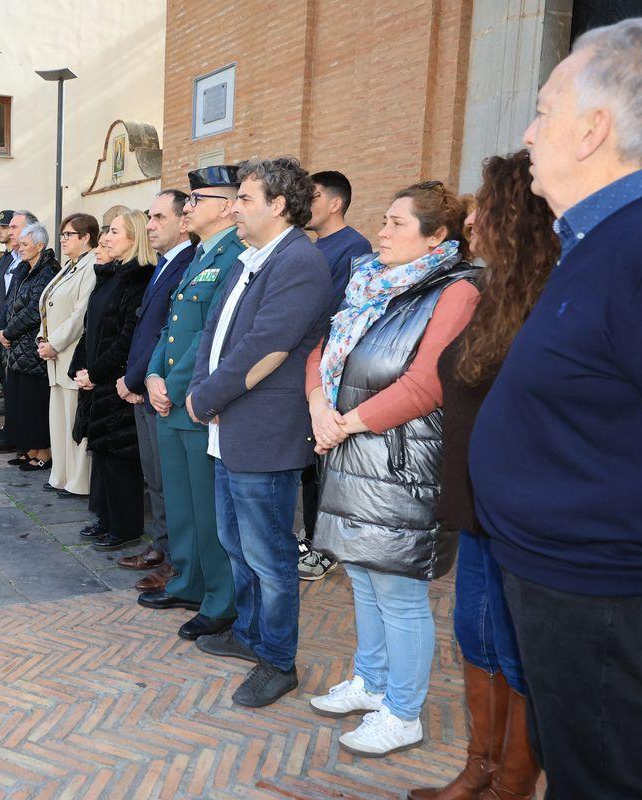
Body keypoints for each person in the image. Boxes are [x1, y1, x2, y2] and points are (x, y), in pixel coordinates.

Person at [470, 18, 642, 799]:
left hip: (601, 587)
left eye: (544, 110)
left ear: (593, 131)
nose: (526, 133)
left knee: (600, 780)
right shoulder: (604, 240)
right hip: (562, 576)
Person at [307, 181, 479, 755]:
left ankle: (404, 712)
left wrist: (345, 422)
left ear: (437, 237)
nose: (381, 231)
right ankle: (371, 682)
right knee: (360, 575)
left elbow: (427, 384)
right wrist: (318, 405)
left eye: (398, 223)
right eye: (383, 220)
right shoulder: (367, 282)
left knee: (399, 591)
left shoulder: (455, 292)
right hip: (354, 454)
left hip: (404, 463)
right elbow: (322, 349)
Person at [407, 153, 554, 800]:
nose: (473, 217)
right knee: (475, 635)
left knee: (518, 650)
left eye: (486, 207)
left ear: (518, 217)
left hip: (523, 513)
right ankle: (480, 767)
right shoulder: (492, 292)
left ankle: (514, 783)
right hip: (473, 503)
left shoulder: (551, 295)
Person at [185, 157, 332, 709]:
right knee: (234, 540)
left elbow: (266, 348)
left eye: (245, 199)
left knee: (269, 554)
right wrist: (202, 388)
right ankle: (248, 633)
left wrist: (207, 397)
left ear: (278, 204)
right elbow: (214, 334)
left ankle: (278, 660)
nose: (235, 208)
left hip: (264, 431)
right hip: (230, 424)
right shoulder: (250, 258)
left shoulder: (299, 262)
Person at [141, 168, 242, 617]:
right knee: (181, 504)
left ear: (225, 206)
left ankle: (219, 599)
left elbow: (211, 333)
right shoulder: (201, 256)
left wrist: (174, 384)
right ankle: (186, 580)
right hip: (170, 400)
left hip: (197, 402)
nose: (188, 207)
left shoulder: (236, 256)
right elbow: (172, 325)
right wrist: (152, 374)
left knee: (207, 510)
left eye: (196, 199)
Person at [115, 190, 195, 582]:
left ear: (184, 221)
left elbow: (169, 333)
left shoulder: (187, 264)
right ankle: (162, 545)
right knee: (155, 477)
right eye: (150, 217)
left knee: (168, 480)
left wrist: (135, 378)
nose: (150, 225)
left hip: (161, 387)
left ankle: (174, 557)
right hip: (145, 384)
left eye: (159, 218)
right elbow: (147, 327)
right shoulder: (166, 264)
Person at [297, 170, 373, 581]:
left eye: (313, 196)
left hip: (326, 369)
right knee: (308, 464)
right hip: (303, 367)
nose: (304, 202)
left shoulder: (354, 247)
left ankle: (324, 545)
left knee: (321, 462)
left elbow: (337, 313)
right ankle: (312, 535)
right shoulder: (315, 245)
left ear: (334, 203)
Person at [71, 209, 155, 550]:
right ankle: (106, 519)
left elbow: (126, 338)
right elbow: (94, 328)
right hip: (98, 379)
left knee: (121, 459)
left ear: (134, 239)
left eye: (115, 232)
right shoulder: (114, 274)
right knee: (103, 455)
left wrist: (98, 373)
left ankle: (124, 527)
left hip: (115, 381)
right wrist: (82, 369)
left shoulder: (138, 278)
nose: (106, 237)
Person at [38, 213, 99, 496]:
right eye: (61, 235)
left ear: (86, 237)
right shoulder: (70, 266)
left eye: (69, 235)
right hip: (55, 354)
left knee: (75, 419)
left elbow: (81, 314)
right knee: (59, 420)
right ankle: (61, 475)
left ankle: (79, 480)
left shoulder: (92, 265)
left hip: (73, 354)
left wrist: (56, 342)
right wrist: (43, 338)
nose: (63, 240)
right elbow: (49, 302)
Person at [0, 223, 58, 468]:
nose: (19, 248)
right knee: (22, 404)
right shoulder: (24, 270)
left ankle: (43, 451)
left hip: (32, 347)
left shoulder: (47, 271)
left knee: (36, 403)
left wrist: (9, 331)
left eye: (24, 244)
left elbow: (35, 311)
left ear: (40, 246)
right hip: (16, 348)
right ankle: (30, 448)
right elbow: (10, 302)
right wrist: (2, 329)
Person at [0, 210, 33, 453]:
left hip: (14, 332)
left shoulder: (28, 259)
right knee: (7, 382)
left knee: (15, 387)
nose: (9, 231)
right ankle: (10, 428)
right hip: (1, 330)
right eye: (9, 227)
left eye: (14, 227)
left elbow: (20, 301)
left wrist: (6, 329)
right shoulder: (7, 258)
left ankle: (16, 433)